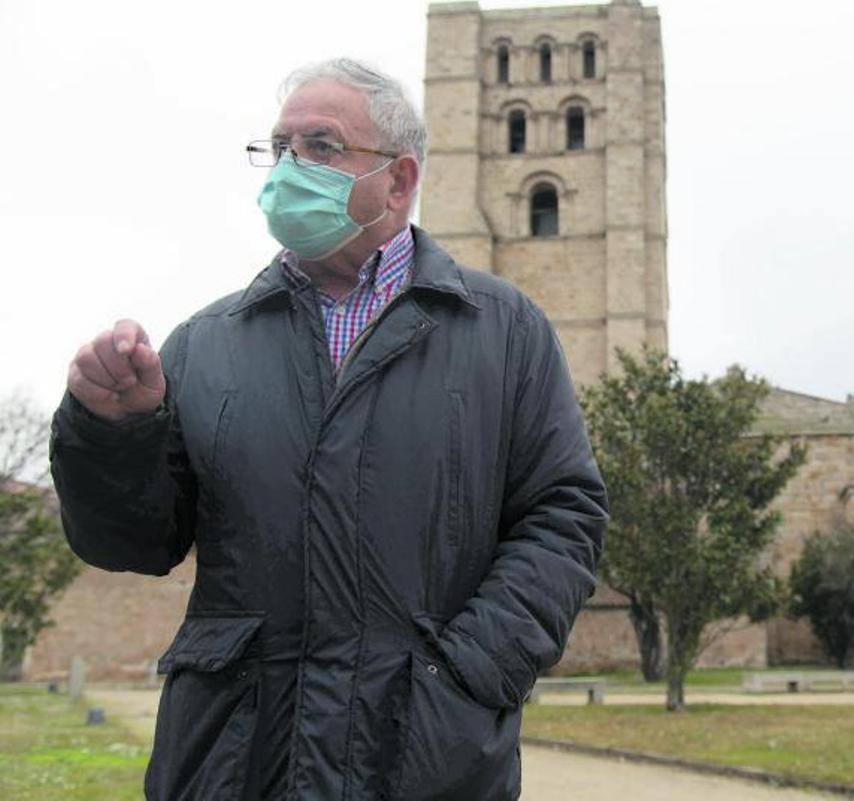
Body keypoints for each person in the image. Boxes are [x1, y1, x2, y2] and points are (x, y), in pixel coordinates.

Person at [49, 58, 607, 801]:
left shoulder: (504, 332)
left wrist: (467, 673)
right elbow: (137, 541)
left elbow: (563, 517)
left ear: (399, 181)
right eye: (279, 148)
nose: (289, 168)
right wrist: (114, 430)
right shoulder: (206, 342)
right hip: (232, 763)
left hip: (426, 762)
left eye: (320, 146)